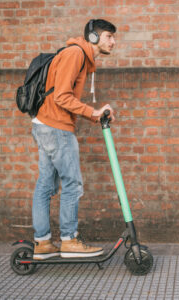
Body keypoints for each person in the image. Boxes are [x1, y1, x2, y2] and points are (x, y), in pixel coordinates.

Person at [31, 19, 116, 260]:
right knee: (72, 183)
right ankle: (69, 240)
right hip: (56, 127)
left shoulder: (80, 56)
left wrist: (94, 116)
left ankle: (43, 243)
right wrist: (92, 112)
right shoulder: (75, 54)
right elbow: (61, 96)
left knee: (46, 184)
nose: (113, 42)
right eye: (109, 36)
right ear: (93, 37)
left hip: (46, 124)